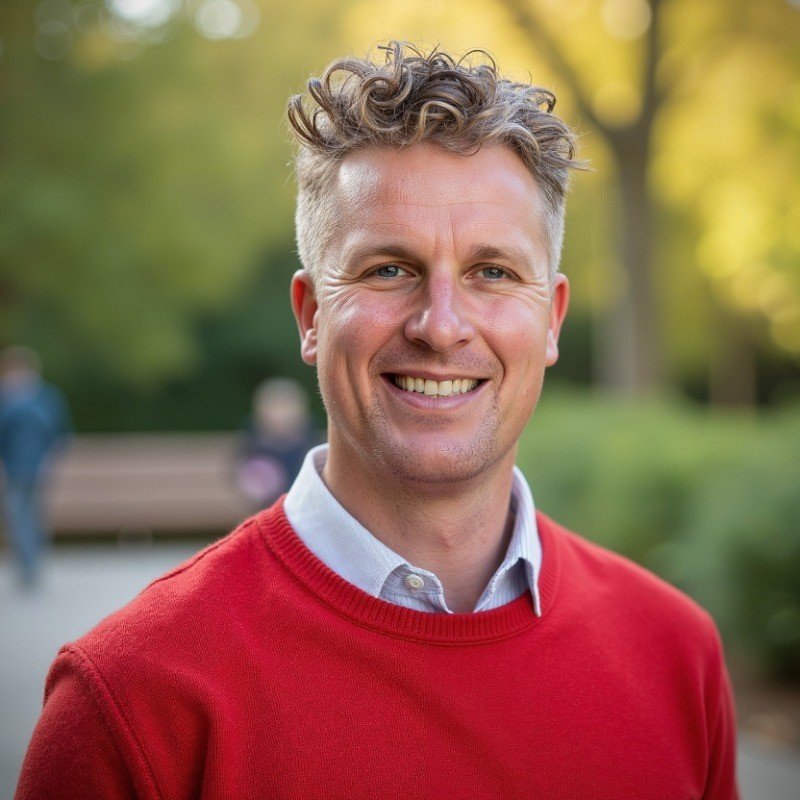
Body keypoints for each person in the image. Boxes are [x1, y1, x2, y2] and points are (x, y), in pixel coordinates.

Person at [15, 42, 739, 798]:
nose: (442, 325)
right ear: (310, 316)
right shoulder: (133, 698)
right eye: (388, 269)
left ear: (551, 319)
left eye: (493, 272)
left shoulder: (675, 655)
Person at [0, 346, 71, 587]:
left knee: (34, 517)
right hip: (11, 470)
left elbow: (58, 433)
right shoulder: (5, 399)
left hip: (38, 469)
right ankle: (26, 566)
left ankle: (32, 565)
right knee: (17, 518)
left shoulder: (46, 398)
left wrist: (52, 462)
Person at [234, 377, 318, 509]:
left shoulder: (311, 445)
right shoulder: (250, 446)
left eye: (285, 406)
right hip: (263, 508)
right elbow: (244, 482)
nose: (280, 414)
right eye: (275, 407)